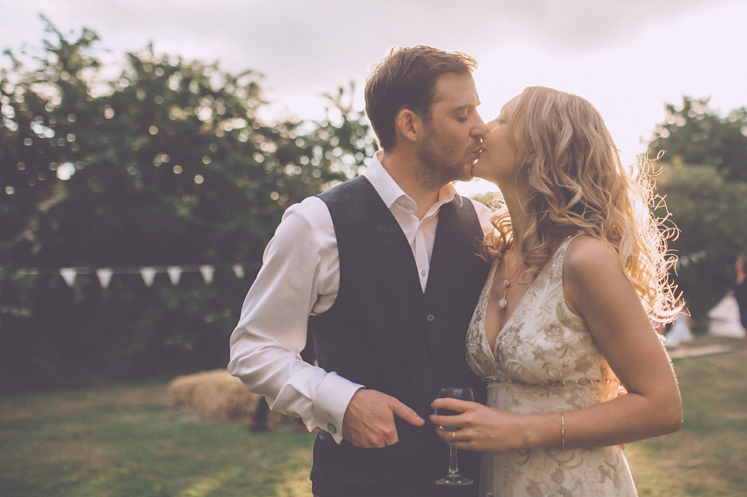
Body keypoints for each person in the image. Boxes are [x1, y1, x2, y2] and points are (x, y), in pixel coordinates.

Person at [228, 46, 493, 497]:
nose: (480, 129)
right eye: (461, 115)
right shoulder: (315, 223)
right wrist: (341, 401)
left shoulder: (484, 223)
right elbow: (255, 349)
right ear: (410, 124)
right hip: (360, 484)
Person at [430, 87, 682, 497]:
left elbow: (662, 406)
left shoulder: (586, 259)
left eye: (502, 120)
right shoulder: (498, 255)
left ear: (539, 147)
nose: (481, 129)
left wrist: (520, 430)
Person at [729, 254, 747, 350]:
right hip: (740, 303)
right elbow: (736, 290)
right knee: (743, 322)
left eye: (740, 262)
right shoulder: (736, 277)